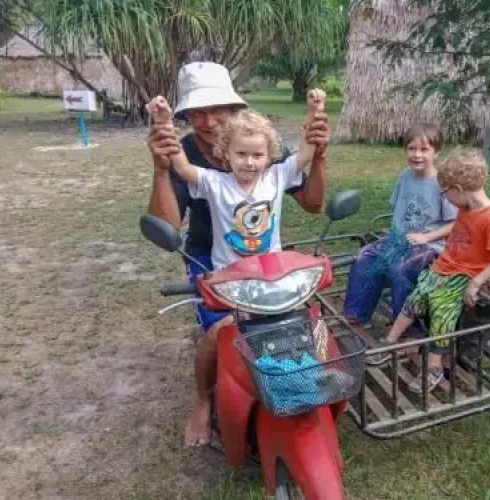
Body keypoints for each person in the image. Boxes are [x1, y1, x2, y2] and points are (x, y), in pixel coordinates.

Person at [145, 62, 329, 446]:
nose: (208, 120)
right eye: (196, 112)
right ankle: (202, 400)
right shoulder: (206, 172)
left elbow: (310, 187)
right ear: (226, 154)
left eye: (217, 108)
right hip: (217, 263)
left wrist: (317, 129)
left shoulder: (265, 153)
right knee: (219, 332)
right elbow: (175, 188)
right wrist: (162, 151)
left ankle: (299, 379)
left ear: (233, 109)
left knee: (302, 317)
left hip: (268, 266)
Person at [369, 151, 490, 393]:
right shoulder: (466, 208)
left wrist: (476, 283)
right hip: (443, 268)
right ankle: (390, 341)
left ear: (459, 189)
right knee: (416, 299)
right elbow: (458, 232)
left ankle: (434, 365)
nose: (445, 197)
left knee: (442, 309)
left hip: (464, 275)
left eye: (445, 192)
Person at [147, 88, 326, 270]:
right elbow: (183, 167)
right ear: (226, 153)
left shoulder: (277, 176)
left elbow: (305, 154)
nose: (249, 162)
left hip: (269, 269)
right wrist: (165, 125)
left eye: (257, 155)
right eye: (241, 154)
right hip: (228, 272)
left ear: (269, 157)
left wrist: (314, 113)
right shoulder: (215, 183)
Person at [343, 124, 457, 332]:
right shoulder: (405, 176)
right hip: (399, 239)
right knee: (365, 257)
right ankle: (358, 315)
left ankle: (406, 329)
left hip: (428, 245)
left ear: (436, 152)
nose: (417, 155)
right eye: (411, 148)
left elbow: (455, 223)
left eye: (424, 149)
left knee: (401, 268)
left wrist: (427, 237)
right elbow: (398, 210)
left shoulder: (442, 184)